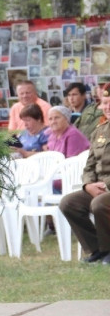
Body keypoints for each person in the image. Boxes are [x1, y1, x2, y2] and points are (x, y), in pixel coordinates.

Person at [59, 82, 110, 265]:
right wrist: (88, 185)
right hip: (98, 188)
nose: (107, 107)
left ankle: (107, 251)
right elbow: (89, 165)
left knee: (99, 204)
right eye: (105, 102)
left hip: (106, 189)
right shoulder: (100, 131)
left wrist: (105, 186)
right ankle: (96, 248)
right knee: (68, 203)